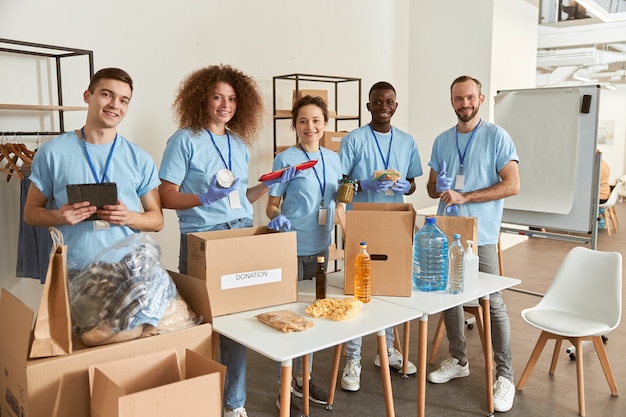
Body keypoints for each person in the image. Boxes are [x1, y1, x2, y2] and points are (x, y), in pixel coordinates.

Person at [158, 64, 294, 417]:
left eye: (232, 98)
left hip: (240, 235)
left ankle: (234, 404)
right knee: (203, 326)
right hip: (203, 241)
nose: (225, 104)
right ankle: (198, 403)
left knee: (236, 325)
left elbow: (240, 198)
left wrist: (271, 183)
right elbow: (166, 196)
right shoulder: (184, 139)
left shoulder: (237, 143)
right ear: (202, 97)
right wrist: (202, 198)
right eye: (217, 96)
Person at [426, 75, 520, 413]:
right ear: (451, 101)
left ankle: (505, 376)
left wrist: (467, 194)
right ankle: (458, 359)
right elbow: (432, 187)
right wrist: (441, 187)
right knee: (451, 297)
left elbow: (512, 185)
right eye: (457, 99)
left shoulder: (497, 137)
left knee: (492, 303)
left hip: (482, 236)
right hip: (448, 231)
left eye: (469, 98)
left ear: (480, 99)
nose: (463, 104)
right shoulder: (441, 140)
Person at [24, 67, 163, 272]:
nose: (115, 105)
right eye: (107, 94)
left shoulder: (139, 158)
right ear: (87, 96)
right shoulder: (52, 152)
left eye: (124, 100)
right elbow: (30, 213)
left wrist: (128, 217)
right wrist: (59, 217)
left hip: (128, 272)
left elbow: (157, 220)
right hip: (72, 272)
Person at [338, 81, 422, 391]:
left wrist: (406, 188)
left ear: (396, 106)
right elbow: (340, 183)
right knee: (359, 290)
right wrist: (362, 185)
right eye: (377, 101)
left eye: (389, 101)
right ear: (368, 105)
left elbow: (412, 182)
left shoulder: (407, 141)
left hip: (395, 222)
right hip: (362, 221)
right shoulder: (354, 140)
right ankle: (353, 358)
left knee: (389, 287)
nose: (383, 105)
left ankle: (387, 349)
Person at [266, 95, 339, 412]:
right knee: (289, 321)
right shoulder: (285, 159)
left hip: (321, 249)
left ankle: (303, 380)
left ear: (325, 124)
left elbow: (341, 199)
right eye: (303, 121)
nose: (310, 126)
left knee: (314, 317)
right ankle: (284, 388)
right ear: (294, 125)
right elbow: (271, 204)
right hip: (291, 249)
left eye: (316, 120)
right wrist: (275, 219)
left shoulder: (333, 159)